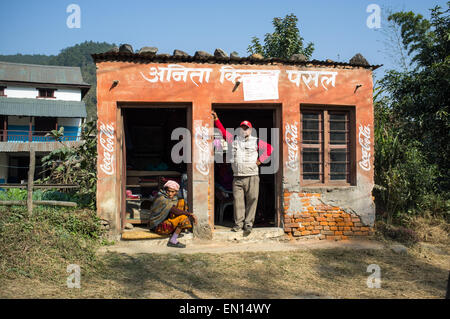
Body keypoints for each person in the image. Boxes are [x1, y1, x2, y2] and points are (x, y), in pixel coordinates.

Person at [212, 111, 273, 236]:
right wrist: (216, 119)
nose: (244, 130)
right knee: (238, 201)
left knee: (252, 200)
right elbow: (223, 132)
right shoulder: (233, 139)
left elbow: (269, 148)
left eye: (246, 128)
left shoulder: (256, 141)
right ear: (239, 130)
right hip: (238, 177)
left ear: (250, 130)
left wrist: (260, 160)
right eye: (242, 128)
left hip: (252, 176)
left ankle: (248, 224)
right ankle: (238, 224)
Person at [147, 180, 197, 248]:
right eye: (168, 191)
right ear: (165, 190)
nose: (170, 193)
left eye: (172, 192)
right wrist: (190, 214)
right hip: (157, 226)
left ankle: (176, 232)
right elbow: (174, 210)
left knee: (181, 202)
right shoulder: (162, 198)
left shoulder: (173, 199)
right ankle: (173, 240)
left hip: (165, 222)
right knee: (183, 218)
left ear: (176, 192)